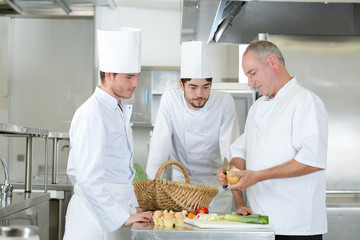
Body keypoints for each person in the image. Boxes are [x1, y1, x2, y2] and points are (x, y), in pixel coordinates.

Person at [216, 40, 328, 239]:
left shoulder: (304, 101)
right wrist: (232, 170)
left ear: (272, 61)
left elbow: (312, 161)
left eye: (252, 73)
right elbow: (241, 151)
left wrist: (258, 175)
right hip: (261, 223)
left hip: (296, 226)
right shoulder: (257, 108)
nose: (250, 82)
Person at [63, 28, 152, 240]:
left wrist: (132, 208)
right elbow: (87, 179)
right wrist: (122, 216)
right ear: (109, 75)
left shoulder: (116, 109)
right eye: (129, 77)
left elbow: (119, 172)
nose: (136, 84)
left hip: (114, 218)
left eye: (137, 77)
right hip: (92, 225)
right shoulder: (92, 113)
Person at [146, 41, 241, 213]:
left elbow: (232, 152)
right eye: (193, 87)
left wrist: (238, 199)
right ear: (181, 85)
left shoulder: (224, 102)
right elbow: (158, 151)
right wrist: (149, 201)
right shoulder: (170, 101)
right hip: (182, 187)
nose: (199, 94)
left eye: (206, 87)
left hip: (216, 187)